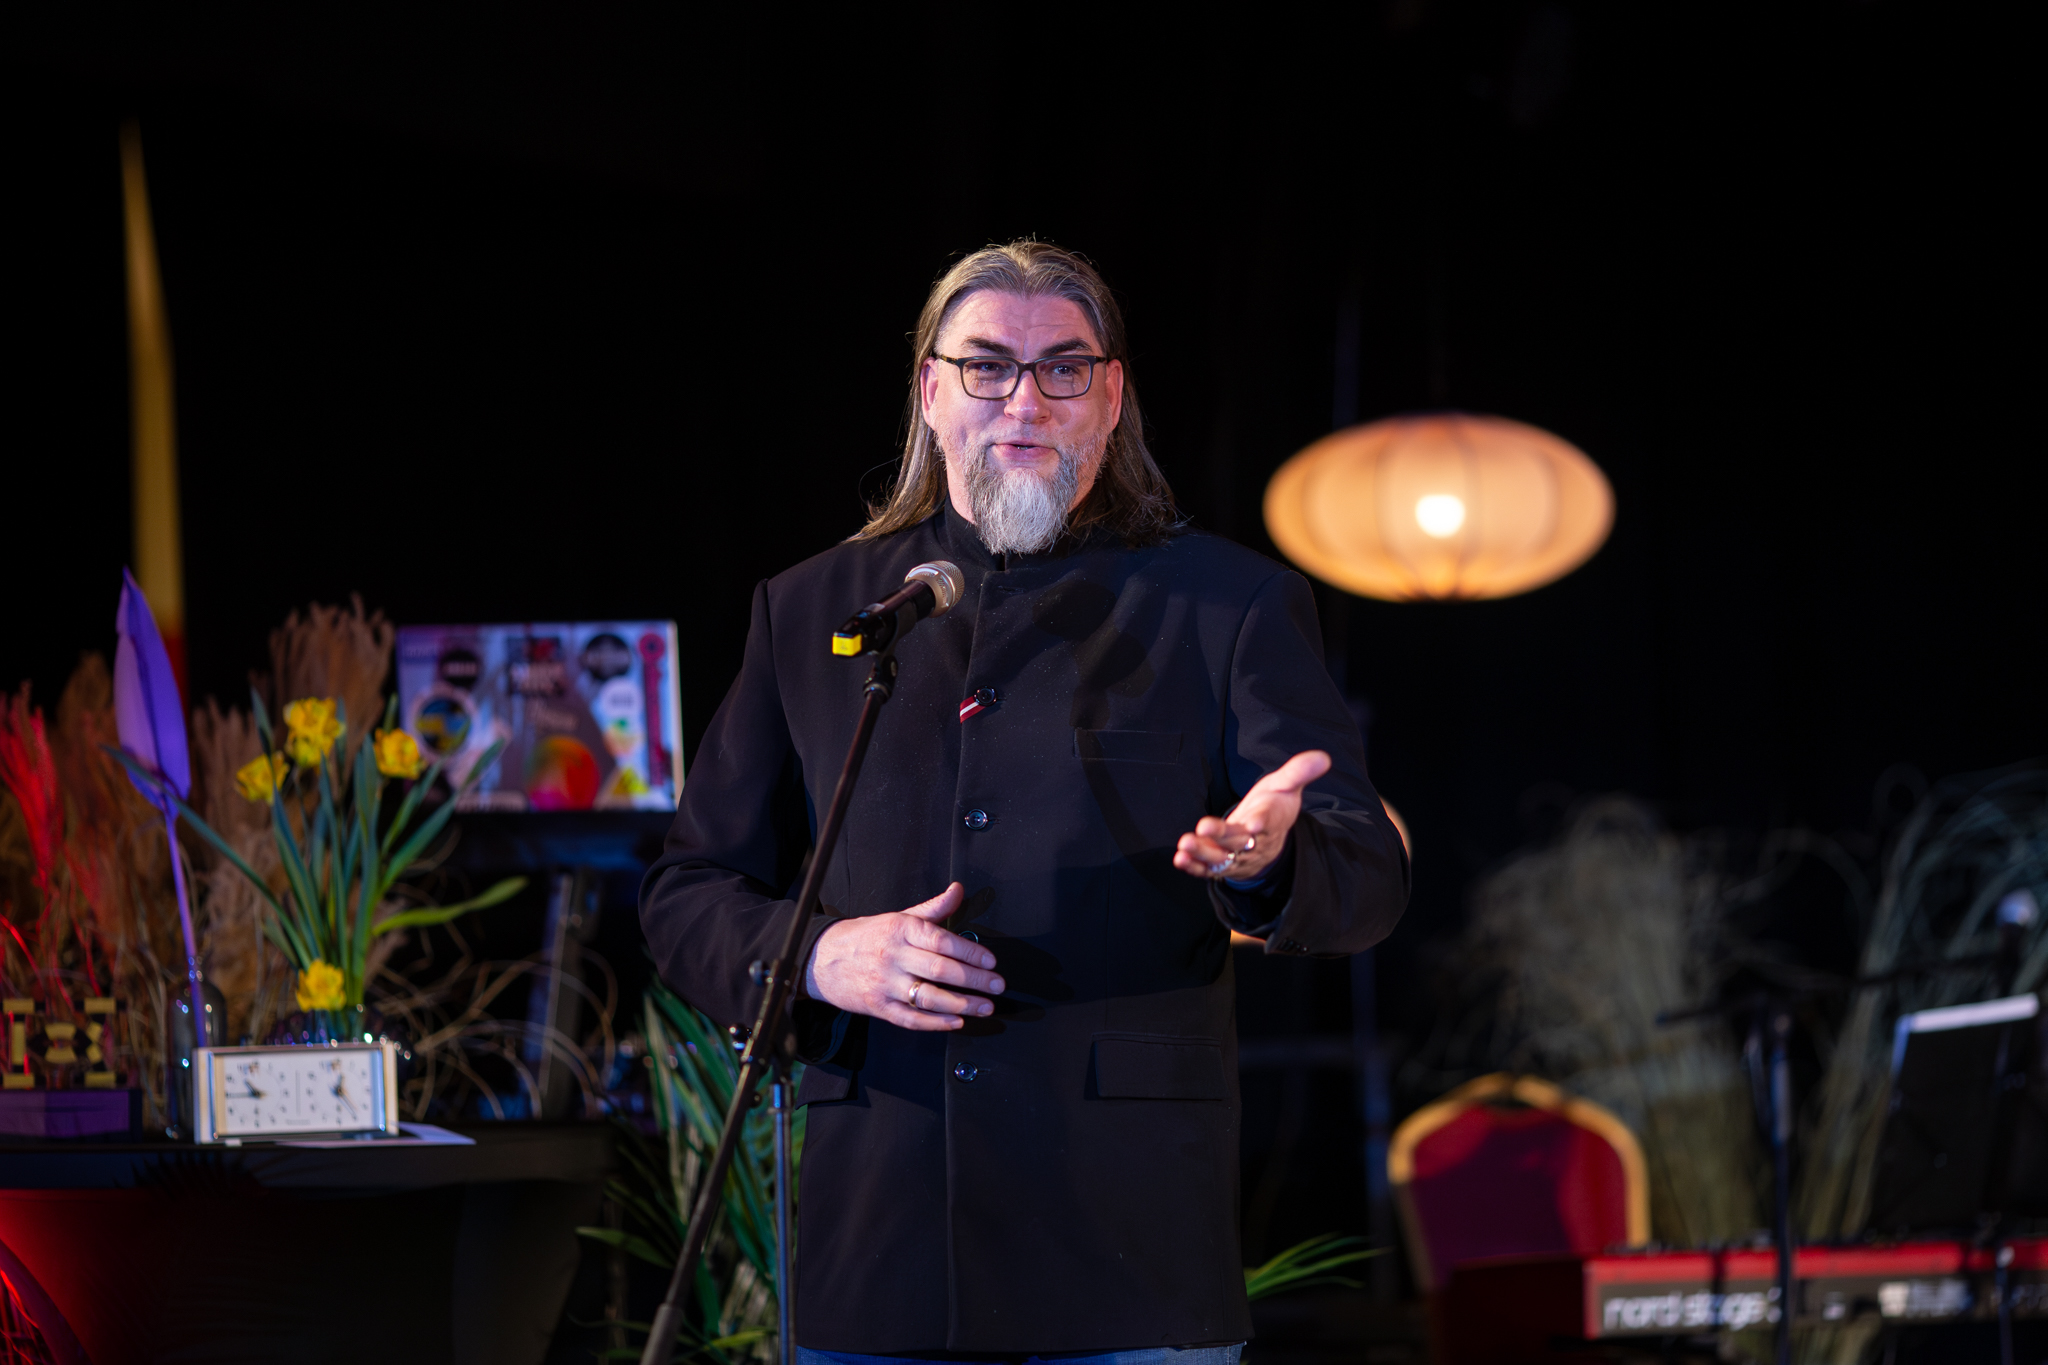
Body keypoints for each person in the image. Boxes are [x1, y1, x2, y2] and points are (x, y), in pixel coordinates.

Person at [641, 241, 1408, 1364]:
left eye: (1063, 368)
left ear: (1111, 396)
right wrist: (818, 957)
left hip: (1125, 1259)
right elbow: (688, 888)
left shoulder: (1228, 603)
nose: (1026, 399)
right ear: (930, 390)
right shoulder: (810, 611)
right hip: (880, 1253)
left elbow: (1366, 872)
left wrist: (1271, 863)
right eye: (988, 365)